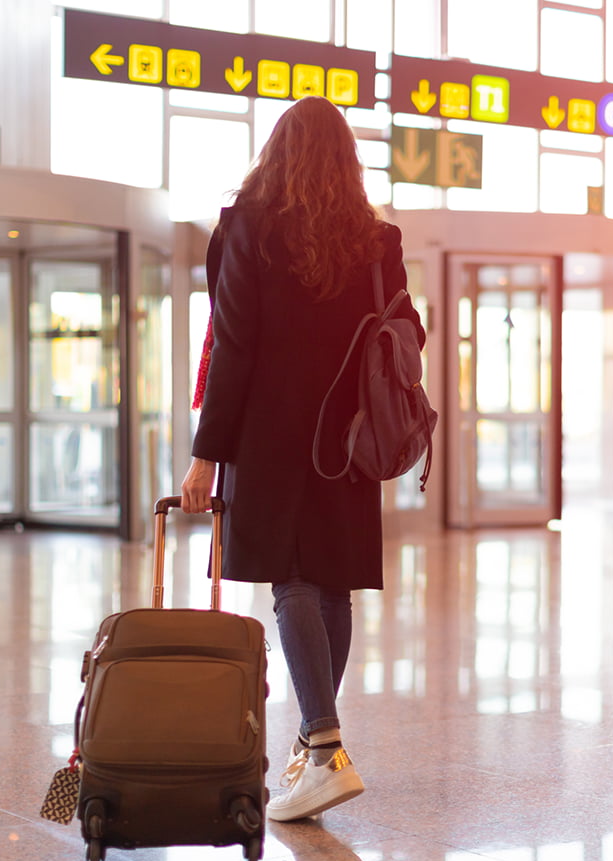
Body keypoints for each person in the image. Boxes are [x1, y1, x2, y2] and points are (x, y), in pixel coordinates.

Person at [181, 95, 426, 822]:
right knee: (331, 587)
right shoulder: (378, 240)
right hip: (349, 436)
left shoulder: (248, 229)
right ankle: (314, 747)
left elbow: (235, 351)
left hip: (271, 437)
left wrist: (205, 458)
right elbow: (407, 328)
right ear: (348, 162)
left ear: (277, 152)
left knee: (291, 582)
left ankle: (322, 750)